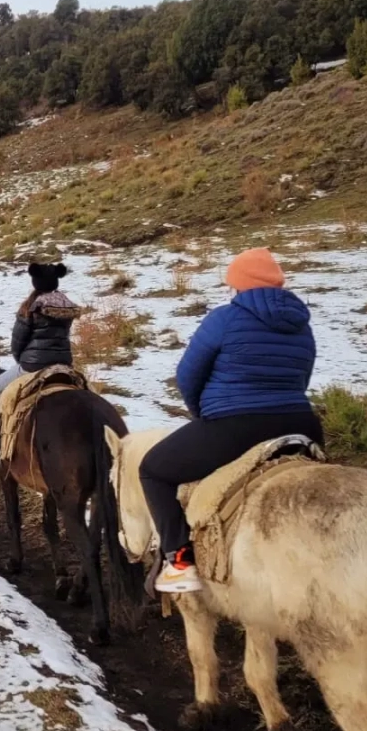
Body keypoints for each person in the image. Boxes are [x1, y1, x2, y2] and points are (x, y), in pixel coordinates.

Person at [141, 247, 323, 595]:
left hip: (236, 426)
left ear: (238, 285)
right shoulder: (303, 326)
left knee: (153, 470)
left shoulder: (224, 319)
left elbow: (188, 375)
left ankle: (178, 562)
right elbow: (302, 379)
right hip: (302, 423)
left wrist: (203, 415)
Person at [0, 263, 78, 462]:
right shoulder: (67, 306)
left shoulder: (31, 307)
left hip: (34, 365)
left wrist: (22, 362)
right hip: (64, 363)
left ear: (35, 282)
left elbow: (18, 341)